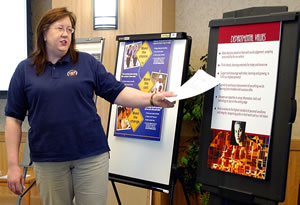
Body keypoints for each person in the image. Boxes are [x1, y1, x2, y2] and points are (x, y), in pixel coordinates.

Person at [4, 7, 176, 205]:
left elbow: (118, 92)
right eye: (60, 28)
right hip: (48, 159)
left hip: (91, 156)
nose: (65, 34)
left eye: (70, 29)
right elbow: (13, 119)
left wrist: (152, 99)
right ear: (44, 32)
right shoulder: (25, 70)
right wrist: (13, 165)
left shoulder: (86, 63)